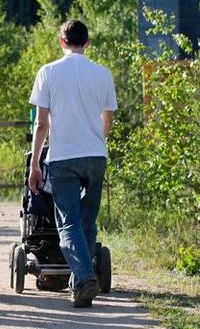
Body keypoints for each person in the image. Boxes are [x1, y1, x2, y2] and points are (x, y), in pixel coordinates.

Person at [28, 20, 117, 308]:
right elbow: (108, 119)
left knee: (68, 224)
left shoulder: (48, 72)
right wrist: (95, 140)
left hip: (63, 157)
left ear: (61, 41)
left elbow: (41, 124)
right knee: (87, 222)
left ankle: (83, 278)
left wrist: (35, 164)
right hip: (95, 155)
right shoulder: (102, 74)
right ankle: (83, 280)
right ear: (87, 43)